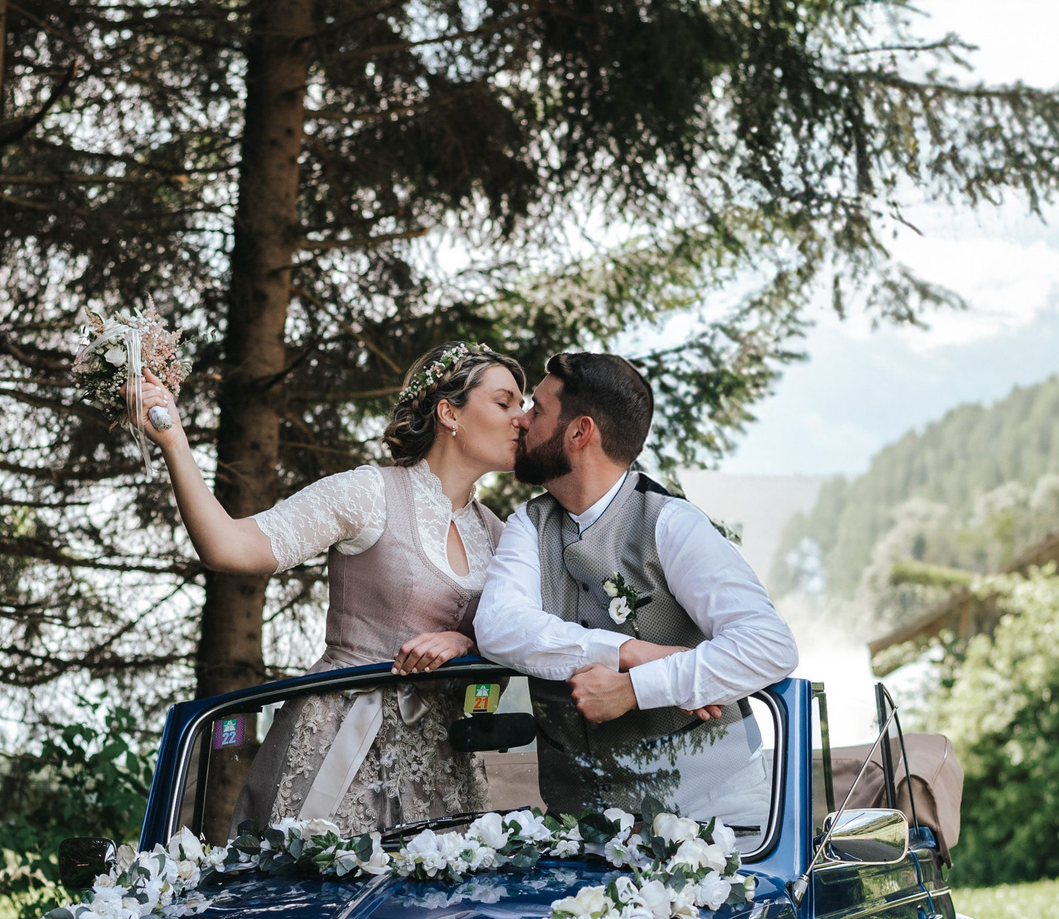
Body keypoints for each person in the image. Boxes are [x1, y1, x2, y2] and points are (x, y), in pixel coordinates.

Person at [132, 342, 527, 831]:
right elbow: (229, 546)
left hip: (443, 764)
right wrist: (174, 441)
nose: (522, 418)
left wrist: (465, 642)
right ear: (450, 412)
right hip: (337, 742)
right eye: (505, 402)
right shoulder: (366, 494)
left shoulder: (500, 533)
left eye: (524, 405)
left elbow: (518, 642)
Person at [473, 351, 799, 828]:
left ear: (579, 432)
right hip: (583, 827)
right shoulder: (529, 523)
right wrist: (628, 651)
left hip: (721, 813)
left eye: (537, 409)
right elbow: (499, 627)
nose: (521, 421)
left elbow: (769, 647)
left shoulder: (671, 523)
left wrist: (634, 689)